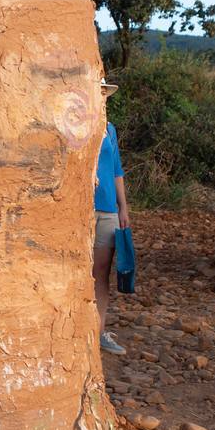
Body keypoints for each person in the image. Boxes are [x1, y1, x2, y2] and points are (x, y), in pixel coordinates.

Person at [92, 79, 129, 355]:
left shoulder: (109, 128)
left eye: (103, 93)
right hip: (80, 209)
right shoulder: (74, 125)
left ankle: (99, 330)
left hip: (107, 209)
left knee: (101, 273)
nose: (101, 96)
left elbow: (117, 170)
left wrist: (123, 207)